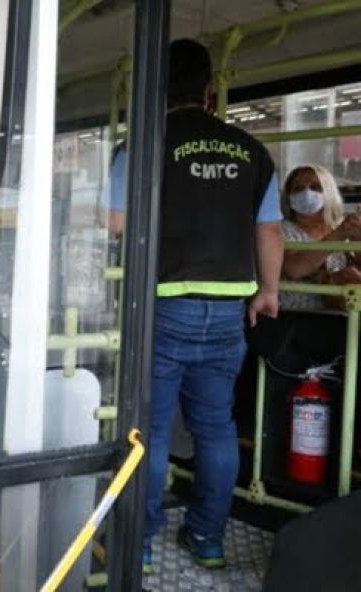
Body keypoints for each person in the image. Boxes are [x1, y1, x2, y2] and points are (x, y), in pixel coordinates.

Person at [111, 40, 284, 572]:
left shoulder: (141, 146)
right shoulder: (252, 151)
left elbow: (117, 226)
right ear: (209, 91)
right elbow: (271, 230)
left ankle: (135, 545)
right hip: (230, 311)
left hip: (162, 305)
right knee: (215, 427)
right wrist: (269, 291)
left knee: (153, 428)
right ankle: (207, 538)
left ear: (154, 90)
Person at [279, 165, 361, 310]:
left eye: (315, 187)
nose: (307, 192)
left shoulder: (339, 227)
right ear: (289, 196)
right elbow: (294, 269)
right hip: (299, 315)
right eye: (298, 188)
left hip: (341, 313)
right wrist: (339, 235)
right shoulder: (279, 229)